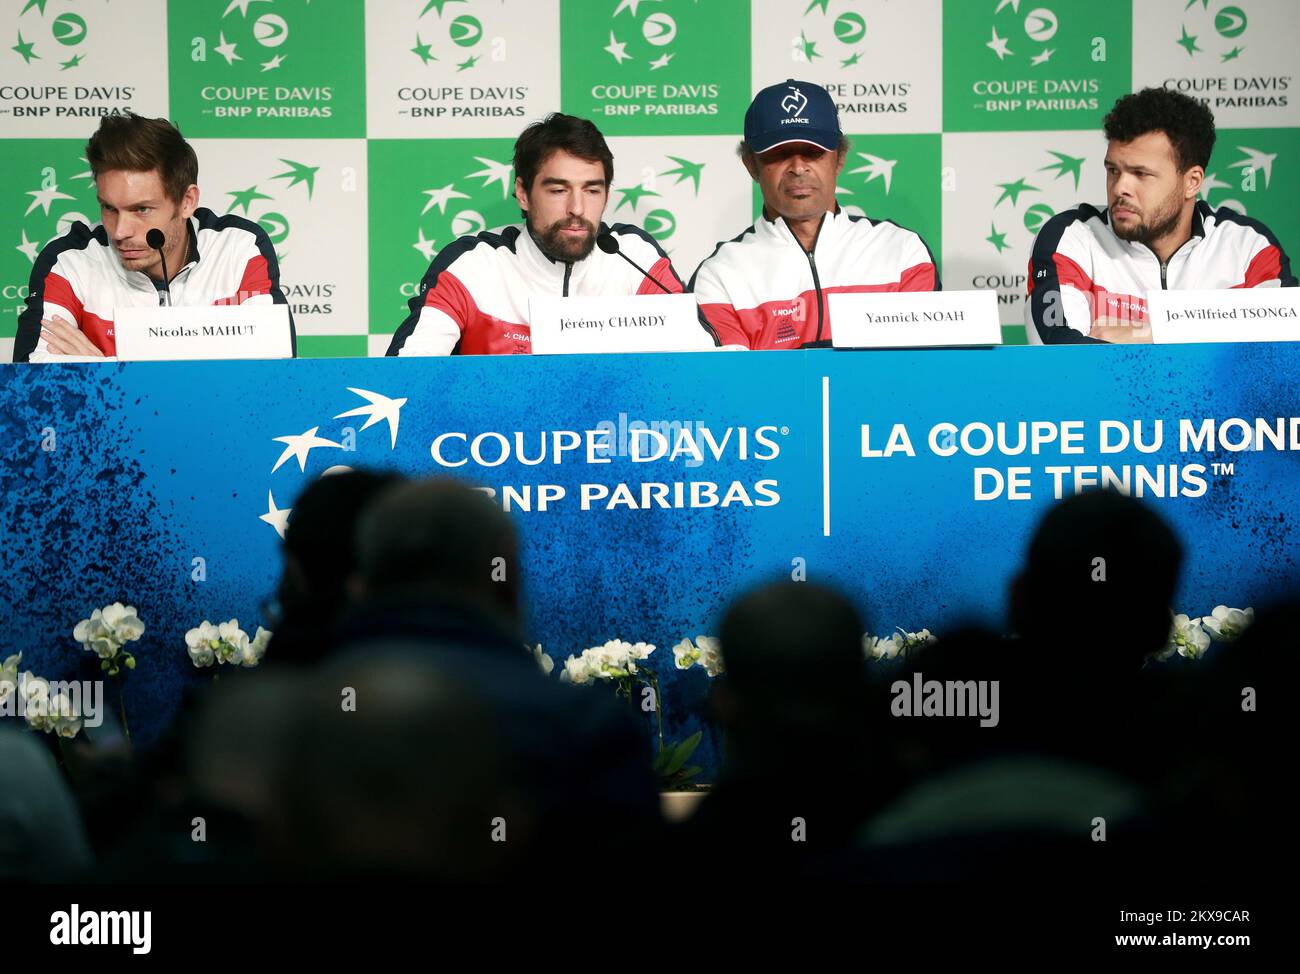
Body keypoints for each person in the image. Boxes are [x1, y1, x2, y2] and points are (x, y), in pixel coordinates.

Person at [388, 112, 715, 355]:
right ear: (523, 193)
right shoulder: (473, 265)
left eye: (592, 190)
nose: (577, 208)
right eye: (558, 190)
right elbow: (408, 376)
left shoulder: (634, 256)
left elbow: (706, 365)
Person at [13, 113, 294, 362]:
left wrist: (103, 370)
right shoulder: (69, 257)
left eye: (142, 209)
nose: (120, 231)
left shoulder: (239, 247)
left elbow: (272, 380)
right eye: (109, 208)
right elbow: (32, 391)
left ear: (187, 201)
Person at [1026, 87, 1296, 345]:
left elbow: (1284, 352)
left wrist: (1150, 333)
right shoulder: (1071, 237)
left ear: (1192, 182)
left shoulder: (1249, 247)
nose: (1120, 187)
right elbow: (1059, 355)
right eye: (1113, 170)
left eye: (1141, 174)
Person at [690, 79, 939, 350]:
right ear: (751, 165)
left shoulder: (901, 251)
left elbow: (917, 371)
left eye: (813, 152)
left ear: (839, 158)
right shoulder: (719, 273)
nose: (798, 168)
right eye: (779, 153)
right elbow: (734, 384)